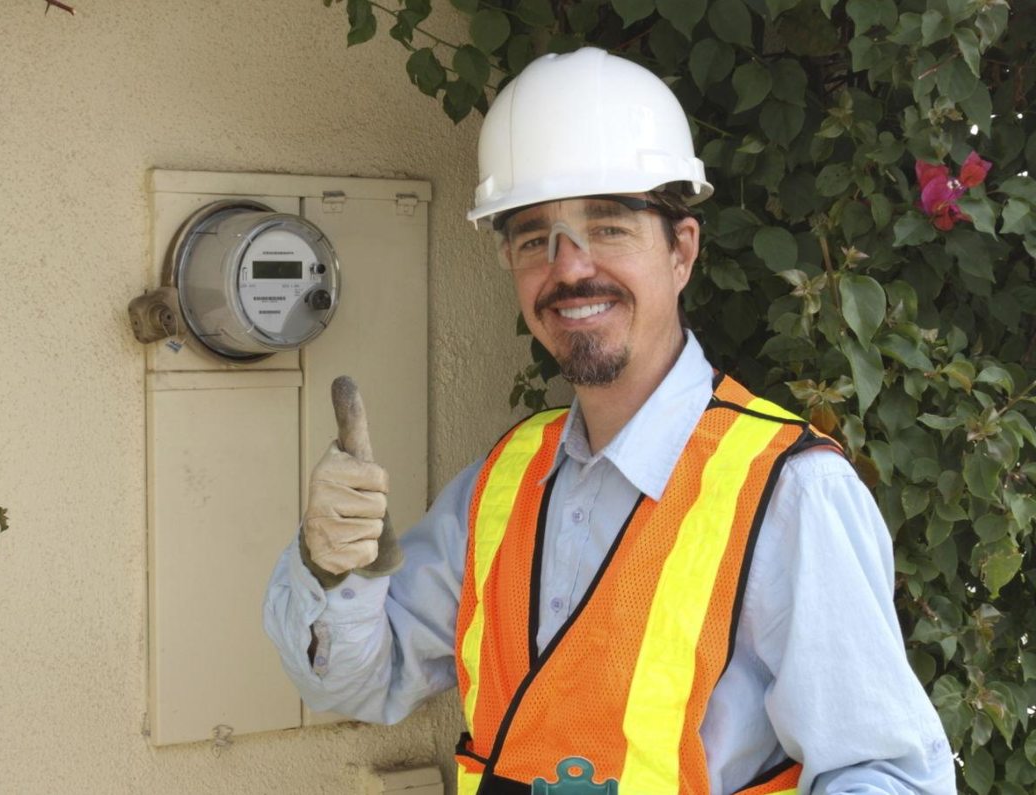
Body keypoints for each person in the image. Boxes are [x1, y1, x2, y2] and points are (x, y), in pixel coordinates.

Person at [264, 47, 955, 795]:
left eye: (610, 226)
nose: (568, 268)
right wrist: (331, 565)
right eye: (535, 239)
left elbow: (889, 777)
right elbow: (362, 681)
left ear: (681, 250)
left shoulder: (792, 493)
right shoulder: (503, 483)